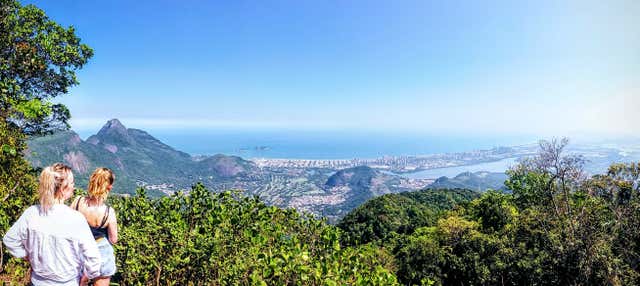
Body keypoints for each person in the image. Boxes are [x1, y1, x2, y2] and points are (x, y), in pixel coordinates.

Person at [3, 163, 102, 285]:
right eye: (72, 183)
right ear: (62, 188)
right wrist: (86, 277)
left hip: (37, 281)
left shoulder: (31, 213)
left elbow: (10, 240)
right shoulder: (75, 219)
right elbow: (94, 258)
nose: (74, 186)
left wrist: (27, 256)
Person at [71, 168, 118, 286]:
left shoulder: (78, 202)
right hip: (101, 252)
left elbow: (68, 223)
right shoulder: (108, 212)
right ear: (109, 187)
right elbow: (113, 239)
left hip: (78, 251)